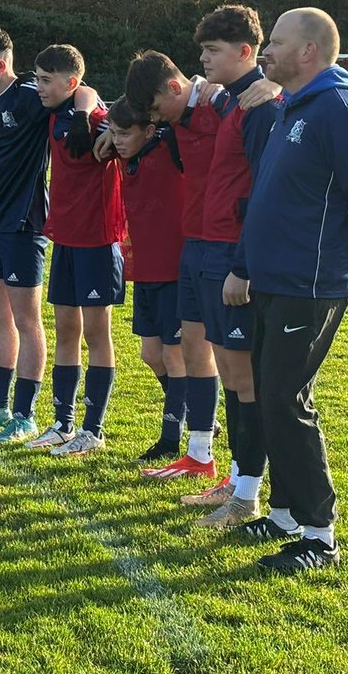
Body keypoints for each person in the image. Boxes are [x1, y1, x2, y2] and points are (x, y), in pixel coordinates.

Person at [227, 7, 348, 573]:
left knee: (284, 400)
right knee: (272, 398)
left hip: (309, 283)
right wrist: (246, 263)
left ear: (308, 52)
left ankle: (320, 537)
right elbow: (269, 199)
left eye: (274, 42)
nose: (265, 51)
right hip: (275, 279)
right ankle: (283, 516)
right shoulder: (290, 108)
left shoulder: (338, 110)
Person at [0, 28, 99, 443]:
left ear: (1, 64)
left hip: (24, 224)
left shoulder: (32, 95)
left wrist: (84, 112)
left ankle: (25, 414)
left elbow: (84, 90)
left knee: (28, 321)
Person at [189, 5, 283, 527]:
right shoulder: (234, 99)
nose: (203, 60)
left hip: (234, 255)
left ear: (245, 52)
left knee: (245, 379)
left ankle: (248, 495)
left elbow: (265, 192)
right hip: (214, 248)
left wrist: (242, 265)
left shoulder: (262, 106)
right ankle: (237, 480)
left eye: (213, 51)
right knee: (231, 374)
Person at [123, 51, 224, 478]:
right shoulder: (170, 128)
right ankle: (199, 438)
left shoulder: (221, 106)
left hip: (219, 252)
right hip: (182, 257)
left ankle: (190, 443)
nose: (157, 121)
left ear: (174, 88)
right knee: (171, 354)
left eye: (156, 111)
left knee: (209, 360)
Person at [25, 44, 124, 457]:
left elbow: (107, 109)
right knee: (66, 329)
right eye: (37, 78)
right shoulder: (56, 114)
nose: (38, 87)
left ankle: (93, 429)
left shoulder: (100, 121)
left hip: (98, 242)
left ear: (70, 82)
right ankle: (63, 423)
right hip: (63, 237)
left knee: (97, 335)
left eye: (46, 80)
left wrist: (89, 111)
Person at [105, 100, 187, 463]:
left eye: (125, 134)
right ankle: (195, 408)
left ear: (150, 131)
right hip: (145, 271)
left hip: (175, 271)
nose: (117, 140)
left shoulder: (170, 147)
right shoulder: (126, 155)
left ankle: (170, 439)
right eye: (113, 133)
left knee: (175, 355)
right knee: (151, 355)